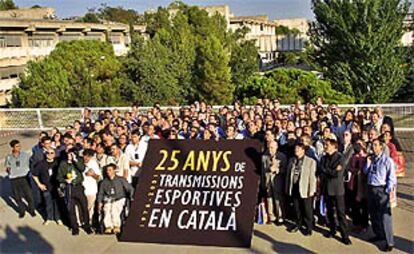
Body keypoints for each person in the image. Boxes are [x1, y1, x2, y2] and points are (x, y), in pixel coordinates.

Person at [363, 139, 397, 252]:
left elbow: (392, 178)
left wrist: (388, 191)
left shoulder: (387, 161)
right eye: (372, 145)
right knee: (373, 214)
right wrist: (367, 163)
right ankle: (379, 234)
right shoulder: (371, 159)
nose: (373, 147)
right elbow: (365, 171)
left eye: (375, 145)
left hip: (382, 189)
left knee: (385, 217)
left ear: (381, 147)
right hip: (371, 187)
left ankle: (389, 241)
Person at [319, 139, 352, 245]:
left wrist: (326, 170)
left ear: (334, 146)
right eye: (325, 145)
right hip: (327, 188)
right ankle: (332, 230)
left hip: (338, 190)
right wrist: (330, 170)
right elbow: (321, 170)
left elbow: (337, 174)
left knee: (340, 213)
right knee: (329, 212)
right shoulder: (323, 158)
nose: (325, 146)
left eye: (327, 145)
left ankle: (344, 235)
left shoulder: (340, 158)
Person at [57, 148, 93, 235]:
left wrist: (75, 160)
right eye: (69, 154)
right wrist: (65, 180)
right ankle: (74, 227)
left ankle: (87, 226)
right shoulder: (63, 164)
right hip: (69, 188)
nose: (70, 156)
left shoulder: (78, 161)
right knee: (71, 209)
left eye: (72, 154)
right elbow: (58, 177)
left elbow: (82, 168)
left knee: (84, 207)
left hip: (78, 187)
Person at [285, 143, 317, 236]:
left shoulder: (311, 161)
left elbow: (312, 177)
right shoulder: (292, 160)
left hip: (305, 188)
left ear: (303, 150)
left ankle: (309, 227)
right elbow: (288, 175)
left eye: (298, 149)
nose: (296, 150)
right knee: (297, 208)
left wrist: (312, 190)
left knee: (307, 209)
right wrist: (287, 188)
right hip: (294, 187)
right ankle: (298, 224)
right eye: (295, 149)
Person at [97, 164, 134, 234]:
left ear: (114, 171)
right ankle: (108, 226)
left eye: (110, 170)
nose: (108, 172)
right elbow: (101, 193)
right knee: (106, 209)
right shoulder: (104, 182)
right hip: (108, 199)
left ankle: (116, 226)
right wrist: (99, 202)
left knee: (114, 209)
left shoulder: (121, 180)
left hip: (119, 198)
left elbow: (130, 189)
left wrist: (131, 197)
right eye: (107, 170)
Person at [5, 140, 36, 218]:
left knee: (29, 195)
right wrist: (8, 170)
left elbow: (31, 163)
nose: (19, 147)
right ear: (12, 147)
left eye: (19, 146)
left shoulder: (25, 155)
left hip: (24, 177)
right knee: (17, 197)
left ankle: (31, 210)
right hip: (14, 178)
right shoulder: (8, 157)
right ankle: (22, 211)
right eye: (17, 146)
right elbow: (7, 167)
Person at [32, 148, 62, 225]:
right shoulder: (41, 164)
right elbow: (34, 175)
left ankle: (57, 218)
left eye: (52, 153)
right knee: (48, 203)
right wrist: (39, 184)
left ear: (54, 154)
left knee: (57, 204)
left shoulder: (57, 163)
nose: (50, 154)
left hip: (56, 187)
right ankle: (49, 218)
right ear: (45, 154)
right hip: (46, 187)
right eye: (48, 153)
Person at [262, 141, 287, 224]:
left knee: (278, 199)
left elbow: (285, 169)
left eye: (272, 148)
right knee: (269, 199)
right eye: (269, 147)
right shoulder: (264, 156)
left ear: (276, 147)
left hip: (277, 181)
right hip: (267, 180)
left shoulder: (282, 156)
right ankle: (271, 216)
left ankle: (280, 216)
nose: (270, 149)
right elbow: (263, 170)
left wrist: (277, 170)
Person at [82, 149, 102, 224]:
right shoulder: (79, 162)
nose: (86, 158)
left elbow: (99, 177)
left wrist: (92, 174)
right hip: (81, 189)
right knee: (80, 207)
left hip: (91, 190)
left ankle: (88, 222)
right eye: (85, 155)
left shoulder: (93, 163)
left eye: (89, 156)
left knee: (90, 208)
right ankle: (80, 222)